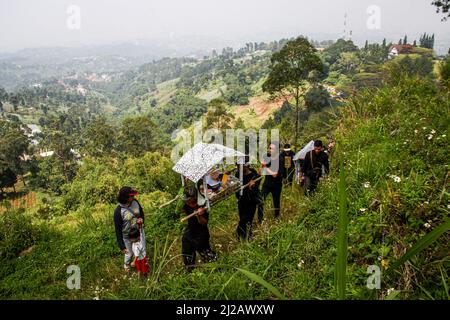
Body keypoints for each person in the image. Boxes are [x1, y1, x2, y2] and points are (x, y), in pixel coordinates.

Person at [181, 184, 216, 273]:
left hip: (201, 232)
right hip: (190, 230)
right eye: (187, 200)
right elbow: (183, 211)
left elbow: (204, 223)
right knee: (187, 248)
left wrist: (198, 216)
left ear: (195, 197)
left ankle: (214, 267)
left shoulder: (203, 204)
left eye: (190, 199)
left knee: (205, 251)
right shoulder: (186, 204)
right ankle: (189, 268)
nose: (188, 201)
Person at [114, 186, 145, 272]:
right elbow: (118, 229)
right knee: (129, 253)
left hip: (138, 232)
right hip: (127, 236)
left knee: (140, 249)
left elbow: (141, 213)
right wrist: (121, 245)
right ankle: (127, 266)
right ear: (125, 198)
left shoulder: (135, 202)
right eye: (131, 196)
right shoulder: (118, 211)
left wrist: (142, 220)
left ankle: (141, 266)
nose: (133, 197)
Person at [257, 142, 284, 222]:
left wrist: (266, 167)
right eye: (269, 148)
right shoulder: (267, 157)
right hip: (267, 184)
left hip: (276, 185)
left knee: (276, 202)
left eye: (272, 148)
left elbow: (275, 174)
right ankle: (260, 219)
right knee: (260, 201)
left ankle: (276, 218)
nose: (270, 150)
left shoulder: (280, 159)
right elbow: (260, 172)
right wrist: (261, 166)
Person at [235, 158, 261, 240]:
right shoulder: (237, 174)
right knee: (242, 218)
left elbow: (255, 191)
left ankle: (243, 236)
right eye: (238, 166)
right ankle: (244, 236)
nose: (239, 168)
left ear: (247, 166)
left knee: (247, 220)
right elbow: (234, 186)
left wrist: (252, 186)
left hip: (251, 202)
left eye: (241, 166)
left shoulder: (254, 176)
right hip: (241, 201)